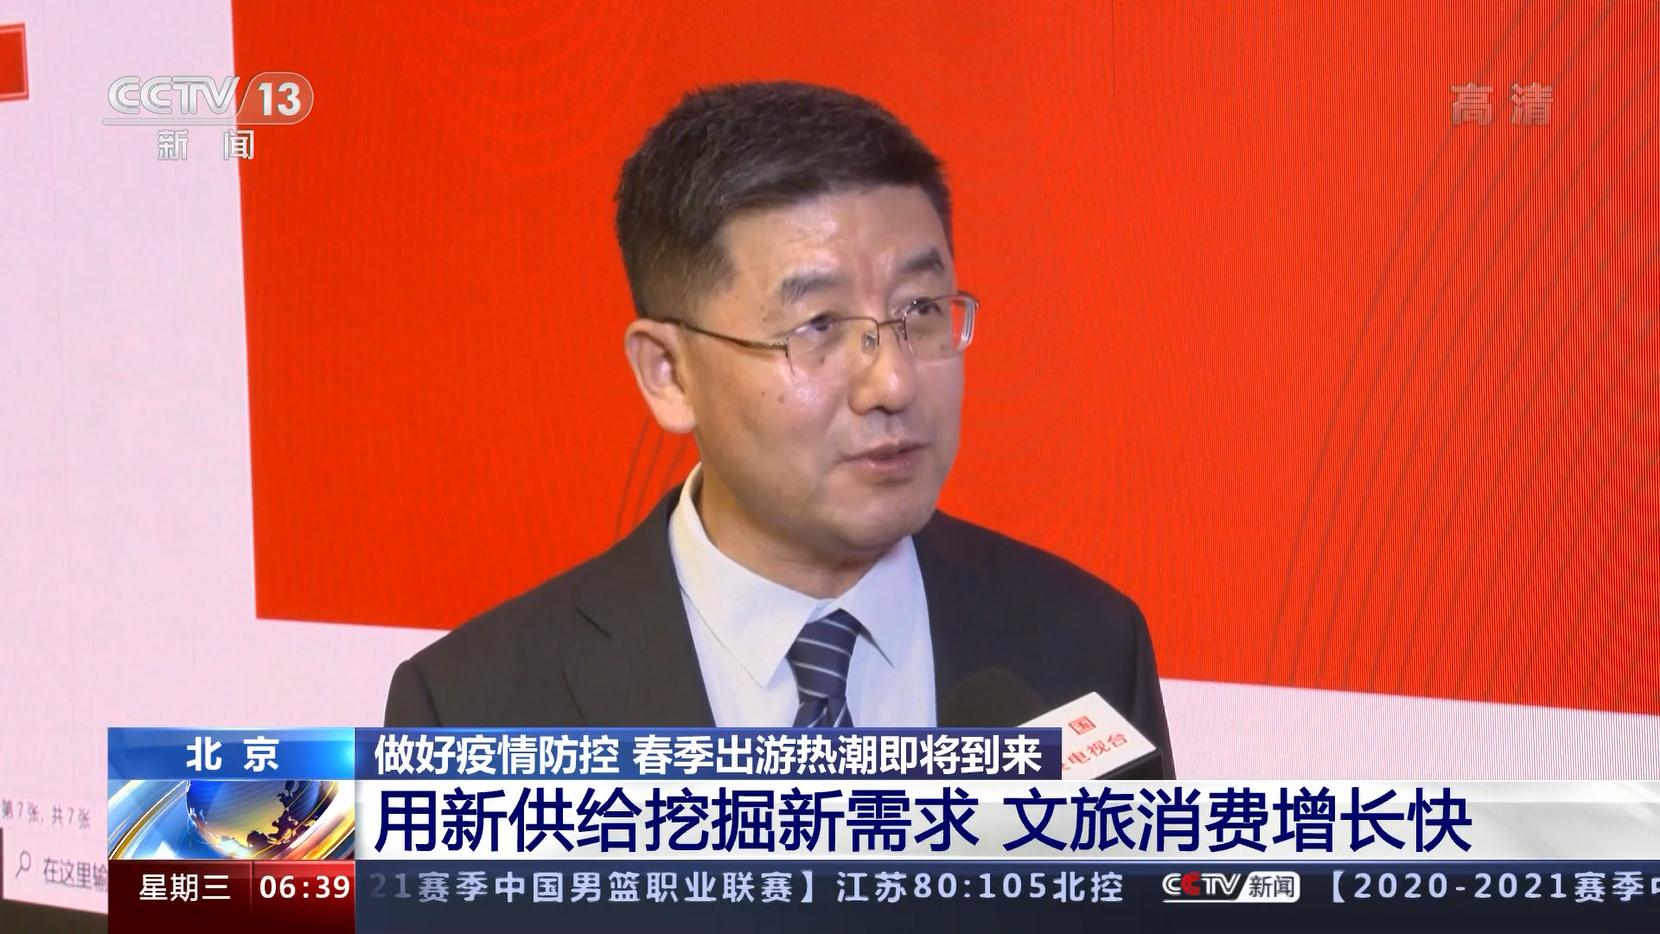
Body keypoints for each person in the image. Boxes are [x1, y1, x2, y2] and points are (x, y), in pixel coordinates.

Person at [384, 81, 1174, 777]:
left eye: (921, 311)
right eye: (818, 326)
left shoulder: (1089, 644)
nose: (893, 383)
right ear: (669, 373)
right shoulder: (467, 710)